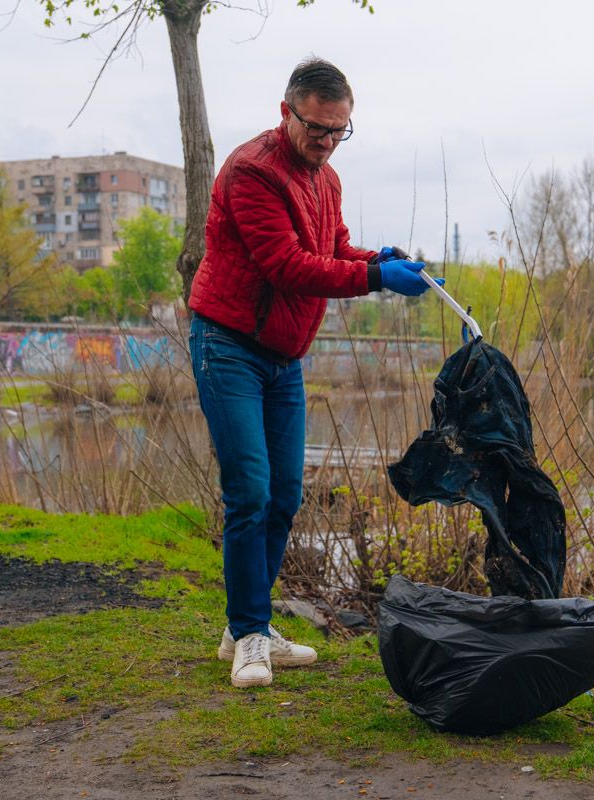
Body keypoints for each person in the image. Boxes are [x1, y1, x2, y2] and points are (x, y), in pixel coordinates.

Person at [187, 58, 438, 688]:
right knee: (248, 490)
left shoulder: (327, 181)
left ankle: (247, 625)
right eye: (318, 128)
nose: (327, 142)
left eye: (339, 131)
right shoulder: (251, 172)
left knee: (286, 496)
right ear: (287, 112)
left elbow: (332, 250)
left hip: (283, 356)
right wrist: (376, 279)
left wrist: (376, 256)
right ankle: (248, 635)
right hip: (229, 344)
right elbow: (289, 266)